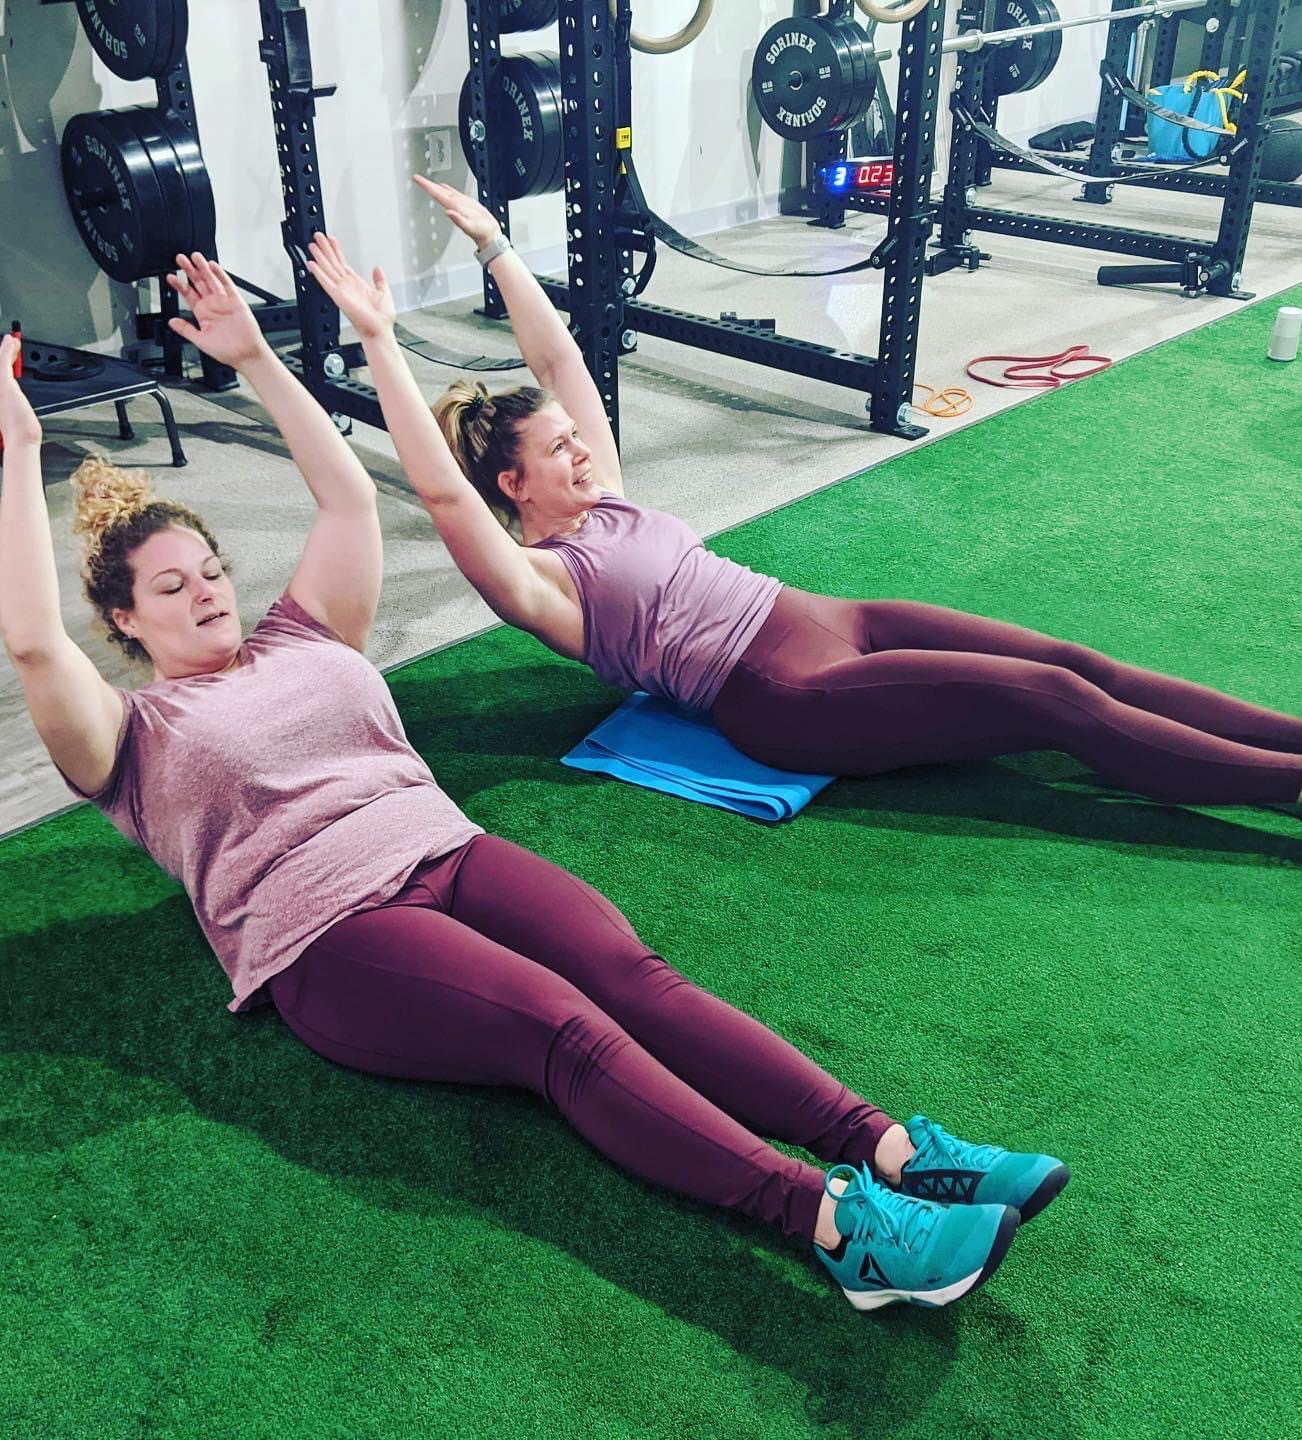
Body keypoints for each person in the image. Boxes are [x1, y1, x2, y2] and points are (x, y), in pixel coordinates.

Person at [0, 261, 1069, 1313]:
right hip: (329, 930)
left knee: (638, 978)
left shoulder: (301, 633)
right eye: (172, 588)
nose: (208, 595)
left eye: (213, 571)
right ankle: (837, 1227)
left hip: (445, 848)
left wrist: (258, 361)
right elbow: (38, 648)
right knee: (562, 1027)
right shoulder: (129, 735)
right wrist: (21, 450)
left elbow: (344, 499)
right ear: (125, 623)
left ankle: (886, 1146)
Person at [306, 179, 1302, 851]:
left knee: (1066, 656)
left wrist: (495, 245)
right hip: (785, 696)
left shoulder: (599, 489)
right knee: (1050, 703)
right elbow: (443, 494)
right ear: (517, 489)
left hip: (831, 616)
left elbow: (558, 353)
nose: (581, 448)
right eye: (557, 449)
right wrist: (376, 339)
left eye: (573, 435)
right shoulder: (543, 585)